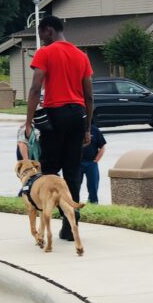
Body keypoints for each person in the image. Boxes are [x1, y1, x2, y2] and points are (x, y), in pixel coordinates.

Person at [24, 15, 93, 241]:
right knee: (73, 171)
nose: (41, 39)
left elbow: (35, 89)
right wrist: (87, 128)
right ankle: (70, 221)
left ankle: (48, 222)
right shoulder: (81, 56)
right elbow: (89, 96)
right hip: (77, 115)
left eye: (42, 34)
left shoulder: (45, 52)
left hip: (55, 115)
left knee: (51, 171)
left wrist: (28, 122)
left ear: (49, 31)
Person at [78, 123, 107, 204]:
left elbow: (102, 146)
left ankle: (93, 203)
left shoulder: (95, 130)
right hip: (77, 164)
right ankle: (74, 204)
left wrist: (96, 160)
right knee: (75, 186)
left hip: (91, 163)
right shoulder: (73, 128)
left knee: (93, 186)